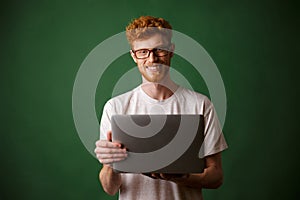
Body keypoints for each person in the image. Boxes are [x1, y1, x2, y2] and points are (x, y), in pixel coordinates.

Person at [94, 16, 228, 200]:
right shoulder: (115, 107)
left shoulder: (200, 104)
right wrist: (110, 164)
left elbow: (216, 177)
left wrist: (184, 178)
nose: (152, 59)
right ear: (134, 56)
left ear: (171, 50)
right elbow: (110, 188)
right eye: (143, 51)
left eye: (159, 50)